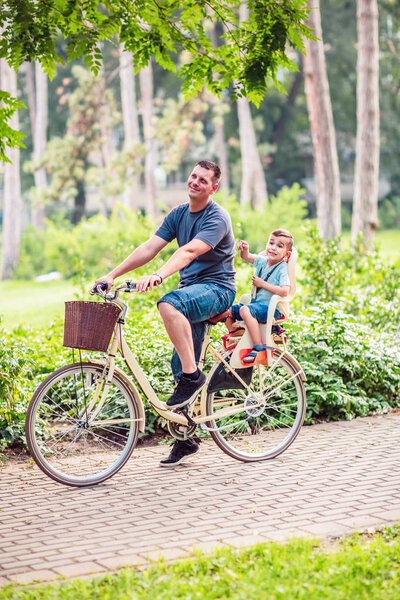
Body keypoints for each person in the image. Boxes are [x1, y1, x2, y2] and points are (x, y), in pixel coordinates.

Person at [95, 160, 236, 466]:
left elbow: (187, 251)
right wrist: (113, 275)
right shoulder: (178, 214)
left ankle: (193, 377)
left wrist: (158, 276)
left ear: (214, 187)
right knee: (181, 361)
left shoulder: (217, 217)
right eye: (193, 176)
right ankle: (186, 436)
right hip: (192, 292)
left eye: (203, 180)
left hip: (216, 289)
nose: (195, 182)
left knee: (169, 304)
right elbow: (150, 246)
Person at [225, 229, 293, 364]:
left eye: (279, 246)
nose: (273, 248)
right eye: (271, 243)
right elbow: (247, 257)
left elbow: (285, 291)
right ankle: (237, 335)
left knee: (245, 310)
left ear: (287, 254)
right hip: (256, 307)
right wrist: (244, 249)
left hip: (271, 310)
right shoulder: (263, 261)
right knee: (226, 310)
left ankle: (258, 346)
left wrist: (263, 284)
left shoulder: (282, 268)